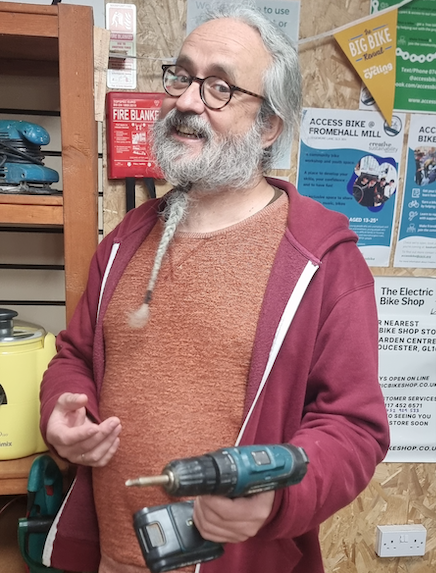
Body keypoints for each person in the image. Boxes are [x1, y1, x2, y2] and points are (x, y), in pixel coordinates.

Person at [39, 3, 390, 573]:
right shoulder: (126, 239)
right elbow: (74, 358)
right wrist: (61, 414)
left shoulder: (323, 263)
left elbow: (354, 429)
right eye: (181, 76)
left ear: (269, 125)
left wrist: (278, 500)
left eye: (220, 87)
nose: (184, 101)